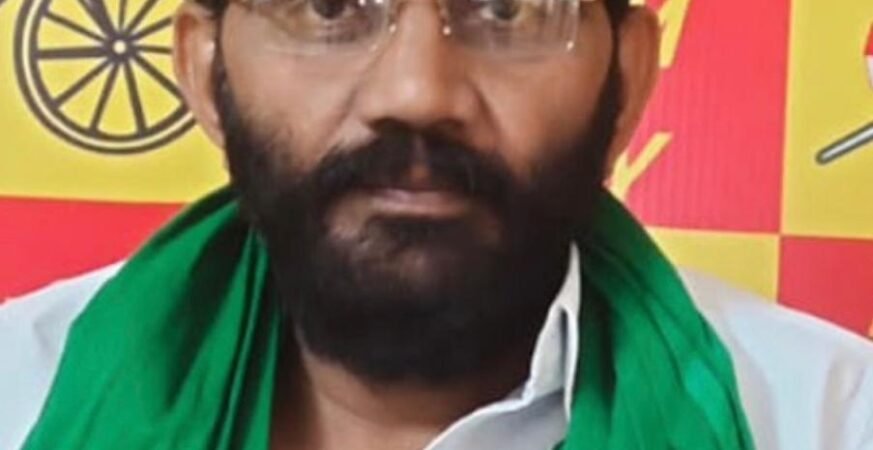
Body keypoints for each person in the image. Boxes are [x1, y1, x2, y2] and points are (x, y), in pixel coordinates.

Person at [1, 0, 871, 448]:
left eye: (508, 10)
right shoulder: (19, 396)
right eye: (329, 9)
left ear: (628, 79)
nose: (417, 91)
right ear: (204, 74)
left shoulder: (828, 422)